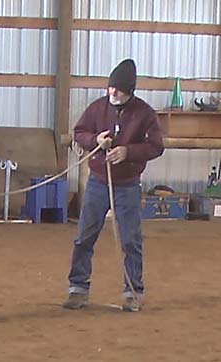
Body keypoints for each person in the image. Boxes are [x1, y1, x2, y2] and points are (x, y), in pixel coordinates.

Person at [62, 59, 164, 312]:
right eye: (110, 87)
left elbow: (156, 146)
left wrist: (127, 152)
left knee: (130, 240)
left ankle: (133, 291)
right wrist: (95, 139)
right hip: (98, 182)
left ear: (130, 90)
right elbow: (79, 132)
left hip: (128, 185)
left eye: (118, 88)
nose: (112, 92)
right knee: (84, 236)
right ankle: (78, 288)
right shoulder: (97, 108)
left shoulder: (145, 113)